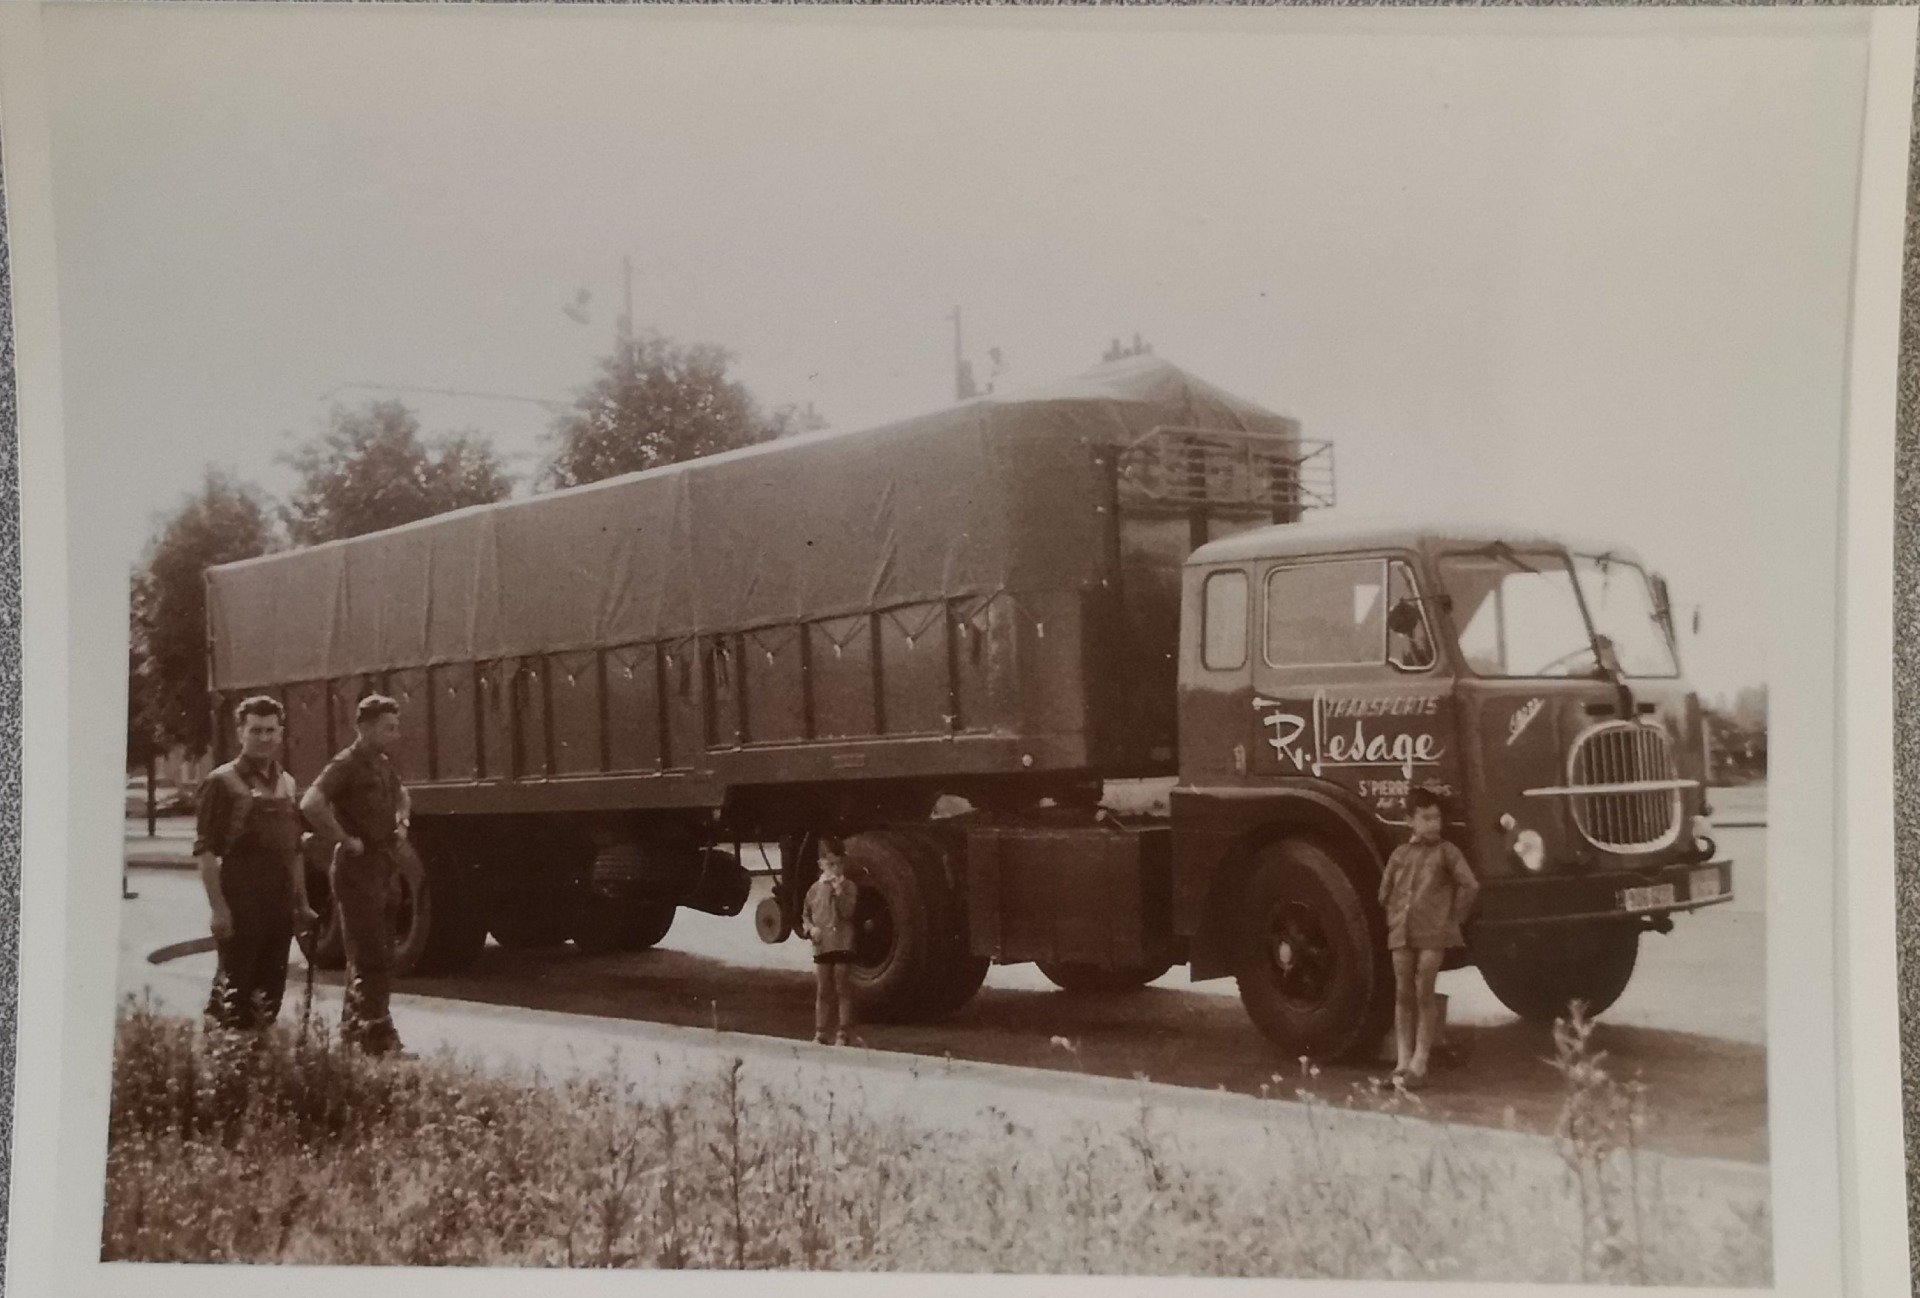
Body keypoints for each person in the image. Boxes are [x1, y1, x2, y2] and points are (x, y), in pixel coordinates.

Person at [193, 695, 319, 1031]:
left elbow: (294, 851)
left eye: (270, 730)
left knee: (269, 995)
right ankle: (220, 1066)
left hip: (278, 907)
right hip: (241, 904)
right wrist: (219, 910)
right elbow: (206, 853)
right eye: (256, 730)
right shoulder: (222, 782)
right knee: (233, 992)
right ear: (240, 733)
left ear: (280, 734)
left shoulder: (288, 783)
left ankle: (257, 1067)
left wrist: (302, 904)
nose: (264, 738)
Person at [301, 695, 413, 1057]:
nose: (395, 735)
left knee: (378, 952)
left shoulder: (381, 764)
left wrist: (402, 821)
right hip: (357, 871)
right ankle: (377, 1037)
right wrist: (344, 839)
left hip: (383, 866)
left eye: (396, 727)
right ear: (363, 728)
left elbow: (402, 795)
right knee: (370, 956)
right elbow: (311, 802)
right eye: (388, 728)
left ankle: (355, 1032)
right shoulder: (346, 764)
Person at [1377, 785, 1479, 1089]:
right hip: (1402, 932)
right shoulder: (1399, 855)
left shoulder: (1447, 852)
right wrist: (1395, 916)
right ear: (1410, 820)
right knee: (1402, 994)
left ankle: (1420, 1061)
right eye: (1426, 818)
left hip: (1434, 933)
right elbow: (1383, 893)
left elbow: (1470, 886)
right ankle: (1402, 1062)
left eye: (1437, 818)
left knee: (1425, 992)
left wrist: (1453, 920)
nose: (1434, 824)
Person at [800, 836, 859, 1045]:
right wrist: (810, 930)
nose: (835, 868)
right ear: (821, 865)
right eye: (831, 864)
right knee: (823, 988)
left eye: (839, 864)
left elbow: (848, 911)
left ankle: (843, 1031)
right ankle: (821, 1031)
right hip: (822, 944)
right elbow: (805, 915)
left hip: (843, 943)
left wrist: (839, 891)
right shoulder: (815, 889)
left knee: (842, 986)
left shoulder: (849, 887)